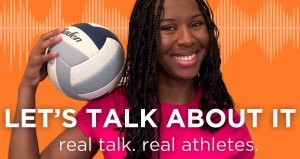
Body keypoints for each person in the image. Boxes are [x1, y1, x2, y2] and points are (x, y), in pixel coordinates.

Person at [9, 0, 255, 159]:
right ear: (145, 39)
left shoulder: (225, 123)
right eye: (168, 28)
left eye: (196, 24)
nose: (187, 38)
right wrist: (27, 87)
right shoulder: (110, 109)